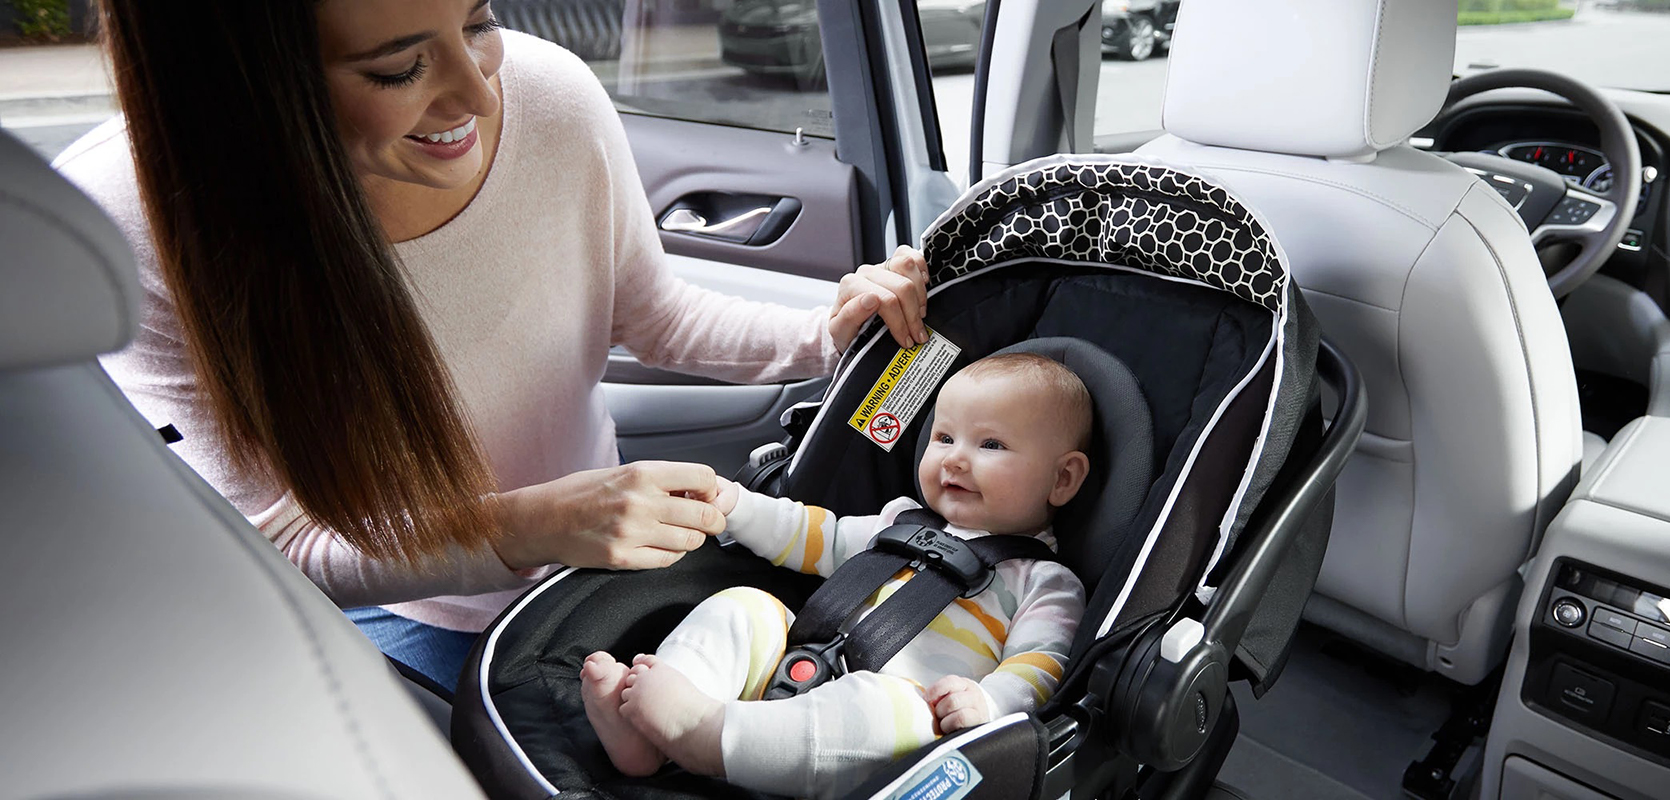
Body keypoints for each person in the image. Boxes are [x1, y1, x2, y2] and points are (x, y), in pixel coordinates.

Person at [54, 0, 930, 692]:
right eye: (399, 67)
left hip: (591, 574)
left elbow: (653, 315)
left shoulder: (549, 95)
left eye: (478, 22)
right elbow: (281, 546)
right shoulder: (131, 221)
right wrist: (532, 523)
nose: (478, 94)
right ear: (244, 85)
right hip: (396, 615)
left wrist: (828, 333)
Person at [579, 353, 1094, 798]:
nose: (955, 458)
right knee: (745, 607)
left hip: (900, 734)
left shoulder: (1043, 580)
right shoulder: (897, 521)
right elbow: (810, 534)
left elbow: (1039, 665)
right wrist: (736, 505)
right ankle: (648, 733)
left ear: (1063, 478)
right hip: (799, 671)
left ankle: (704, 734)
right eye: (944, 436)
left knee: (885, 708)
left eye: (992, 445)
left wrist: (989, 702)